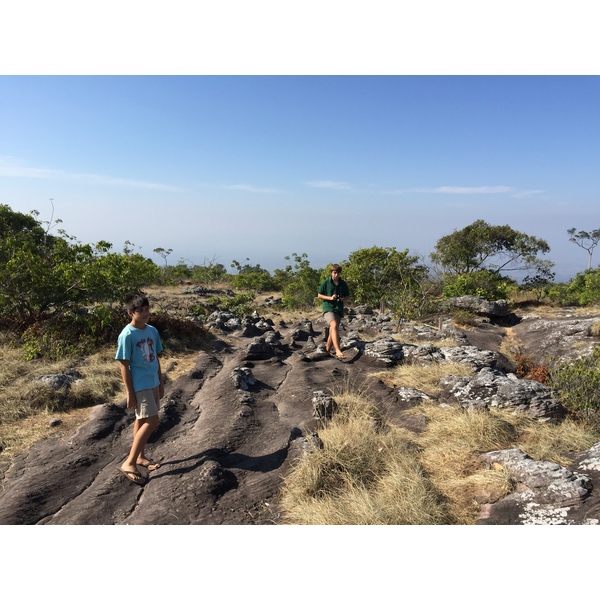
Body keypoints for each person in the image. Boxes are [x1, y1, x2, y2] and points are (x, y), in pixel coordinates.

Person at [115, 292, 165, 485]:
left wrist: (160, 382)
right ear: (130, 313)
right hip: (140, 385)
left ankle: (140, 457)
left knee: (142, 419)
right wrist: (130, 393)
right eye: (140, 311)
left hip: (152, 381)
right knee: (152, 421)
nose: (145, 313)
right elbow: (124, 366)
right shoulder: (127, 335)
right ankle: (129, 462)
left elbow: (156, 357)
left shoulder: (152, 331)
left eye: (147, 309)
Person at [317, 263, 350, 359]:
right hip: (328, 307)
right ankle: (338, 350)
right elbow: (319, 295)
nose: (336, 275)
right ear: (331, 272)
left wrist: (343, 299)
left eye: (338, 273)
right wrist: (330, 298)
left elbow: (347, 295)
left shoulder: (343, 284)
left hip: (338, 308)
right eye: (334, 273)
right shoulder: (326, 282)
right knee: (334, 325)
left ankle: (326, 350)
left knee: (333, 329)